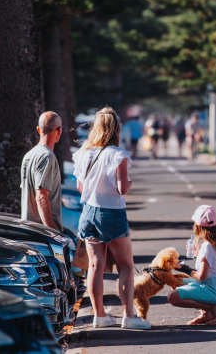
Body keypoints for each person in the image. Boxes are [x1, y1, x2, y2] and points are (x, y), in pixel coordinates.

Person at [72, 106, 150, 330]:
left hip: (88, 212)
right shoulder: (119, 155)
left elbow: (80, 187)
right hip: (112, 212)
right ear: (116, 129)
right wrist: (130, 183)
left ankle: (100, 316)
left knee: (95, 265)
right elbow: (122, 188)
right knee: (125, 266)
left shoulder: (82, 154)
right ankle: (128, 315)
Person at [168, 205, 216, 325]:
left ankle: (211, 308)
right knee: (176, 280)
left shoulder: (207, 246)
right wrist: (198, 254)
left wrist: (185, 269)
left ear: (197, 226)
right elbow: (210, 267)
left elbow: (202, 276)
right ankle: (206, 314)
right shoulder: (215, 242)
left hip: (213, 290)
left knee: (173, 297)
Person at [21, 111, 63, 231]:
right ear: (59, 131)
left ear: (39, 130)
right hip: (41, 233)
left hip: (28, 229)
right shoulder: (47, 156)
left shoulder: (29, 155)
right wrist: (53, 232)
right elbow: (41, 197)